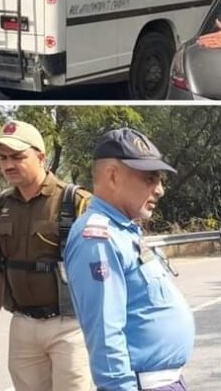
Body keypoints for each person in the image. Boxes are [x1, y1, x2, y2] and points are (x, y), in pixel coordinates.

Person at [65, 128, 194, 391]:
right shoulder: (98, 239)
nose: (160, 190)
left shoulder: (122, 231)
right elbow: (105, 333)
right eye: (150, 178)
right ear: (113, 176)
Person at [0, 120, 93, 391]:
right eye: (3, 158)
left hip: (70, 326)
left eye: (18, 157)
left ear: (41, 157)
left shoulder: (76, 202)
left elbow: (101, 271)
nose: (8, 165)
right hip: (23, 327)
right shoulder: (0, 206)